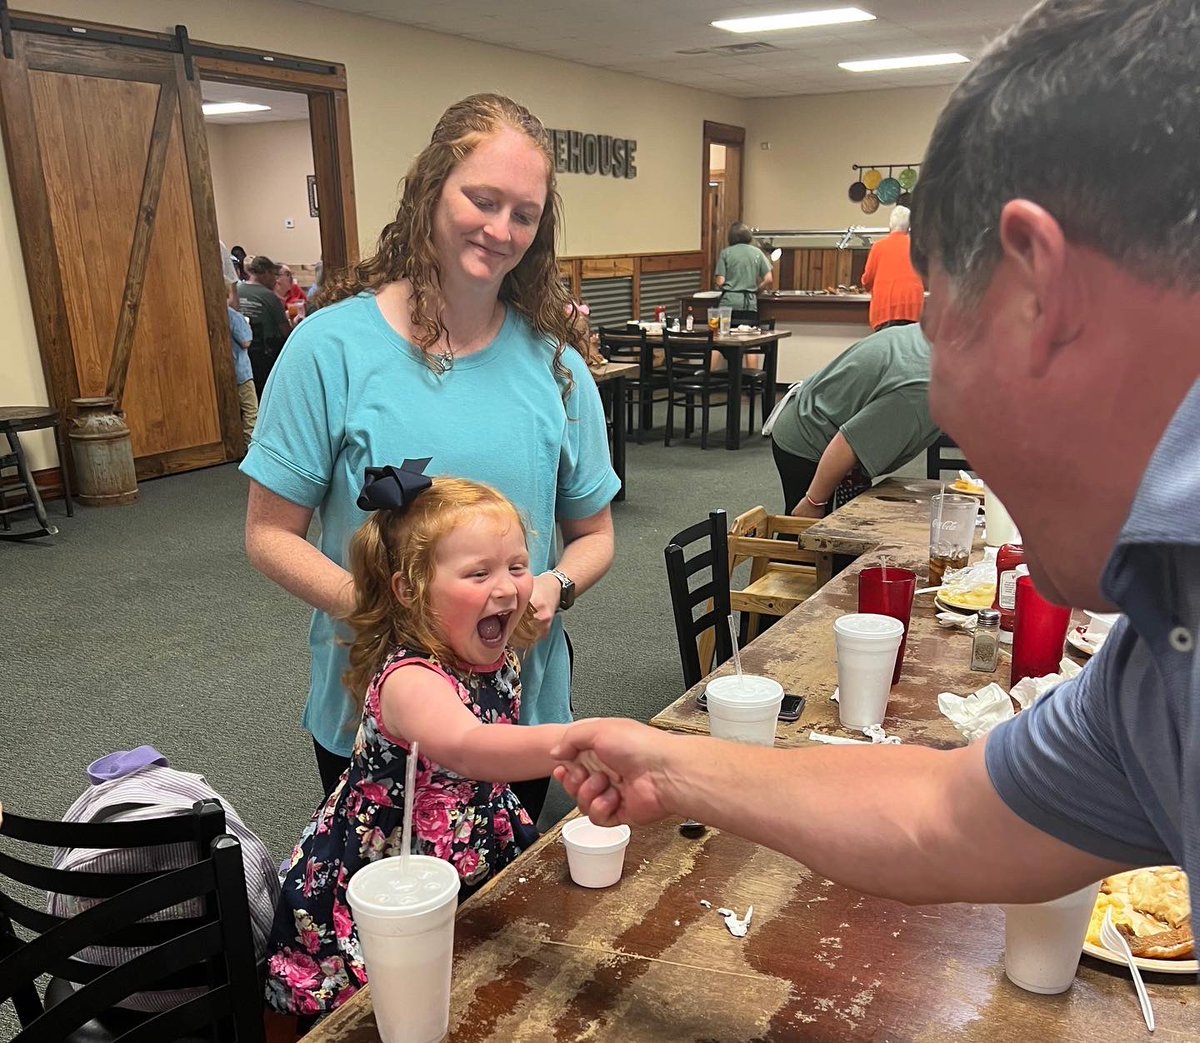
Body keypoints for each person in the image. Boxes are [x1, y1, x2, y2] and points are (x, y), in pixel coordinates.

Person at [552, 0, 1200, 933]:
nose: (942, 403)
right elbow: (947, 817)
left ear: (1036, 289)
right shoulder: (1158, 656)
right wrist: (671, 761)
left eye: (938, 317)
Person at [241, 93, 619, 818]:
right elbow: (268, 535)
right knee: (382, 916)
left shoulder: (556, 367)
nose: (500, 229)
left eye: (525, 213)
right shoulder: (330, 349)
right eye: (482, 199)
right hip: (374, 710)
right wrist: (390, 613)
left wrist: (553, 587)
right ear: (429, 191)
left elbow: (595, 534)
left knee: (500, 910)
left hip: (519, 709)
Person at [264, 471, 558, 1018]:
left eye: (518, 567)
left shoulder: (492, 656)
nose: (507, 587)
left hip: (472, 837)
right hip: (392, 868)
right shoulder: (411, 679)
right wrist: (579, 743)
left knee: (484, 982)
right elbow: (468, 746)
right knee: (397, 1002)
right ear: (409, 590)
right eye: (478, 573)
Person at [770, 324, 941, 518]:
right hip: (810, 438)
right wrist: (814, 501)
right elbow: (847, 444)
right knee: (804, 533)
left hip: (820, 413)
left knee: (836, 528)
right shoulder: (924, 390)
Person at [861, 206, 925, 331]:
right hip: (913, 309)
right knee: (908, 348)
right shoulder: (917, 247)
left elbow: (867, 280)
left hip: (885, 310)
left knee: (886, 347)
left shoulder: (878, 247)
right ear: (909, 227)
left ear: (890, 225)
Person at [237, 254, 290, 398]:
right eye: (274, 274)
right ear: (265, 273)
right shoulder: (269, 296)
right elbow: (285, 331)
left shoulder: (237, 289)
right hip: (264, 356)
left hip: (240, 354)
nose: (275, 280)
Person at [714, 222, 773, 318]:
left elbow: (720, 282)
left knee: (725, 331)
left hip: (729, 302)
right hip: (750, 303)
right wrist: (757, 290)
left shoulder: (726, 253)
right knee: (748, 332)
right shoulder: (757, 252)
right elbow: (769, 279)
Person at [228, 304, 258, 447]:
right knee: (250, 409)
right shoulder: (234, 316)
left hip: (227, 372)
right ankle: (249, 444)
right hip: (241, 371)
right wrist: (247, 326)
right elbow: (245, 341)